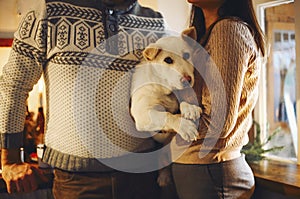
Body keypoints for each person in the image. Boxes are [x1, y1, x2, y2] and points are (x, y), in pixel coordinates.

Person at [0, 0, 167, 198]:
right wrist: (10, 160)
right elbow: (13, 85)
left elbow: (167, 89)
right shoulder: (48, 11)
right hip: (76, 182)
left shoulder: (155, 22)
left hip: (143, 177)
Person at [169, 0, 266, 199]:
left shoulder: (228, 30)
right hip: (202, 169)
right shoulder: (205, 34)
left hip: (211, 170)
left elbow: (218, 122)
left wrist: (163, 123)